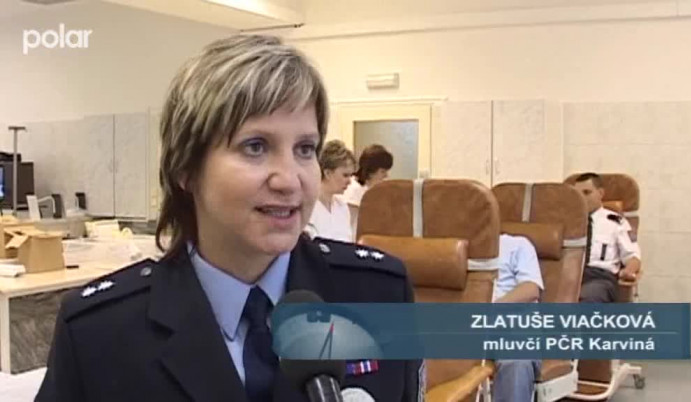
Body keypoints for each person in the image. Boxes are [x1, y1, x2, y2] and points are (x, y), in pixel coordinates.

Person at [37, 35, 422, 402]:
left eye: (305, 148)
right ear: (186, 168)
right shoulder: (99, 332)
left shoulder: (379, 294)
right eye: (255, 147)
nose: (290, 180)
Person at [572, 173, 641, 303]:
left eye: (586, 193)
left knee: (587, 298)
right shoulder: (568, 221)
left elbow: (633, 257)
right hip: (569, 276)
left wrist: (628, 271)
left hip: (599, 278)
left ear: (600, 193)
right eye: (577, 195)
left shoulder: (616, 222)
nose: (581, 199)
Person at [491, 233, 545, 402]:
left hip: (510, 328)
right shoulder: (452, 250)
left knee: (516, 360)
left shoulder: (516, 245)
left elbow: (530, 289)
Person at [306, 140, 355, 242]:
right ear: (327, 173)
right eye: (345, 175)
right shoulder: (307, 207)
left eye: (351, 175)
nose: (349, 181)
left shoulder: (342, 207)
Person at [341, 144, 393, 233]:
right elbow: (349, 225)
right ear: (371, 171)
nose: (386, 176)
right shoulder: (354, 190)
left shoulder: (371, 189)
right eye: (382, 171)